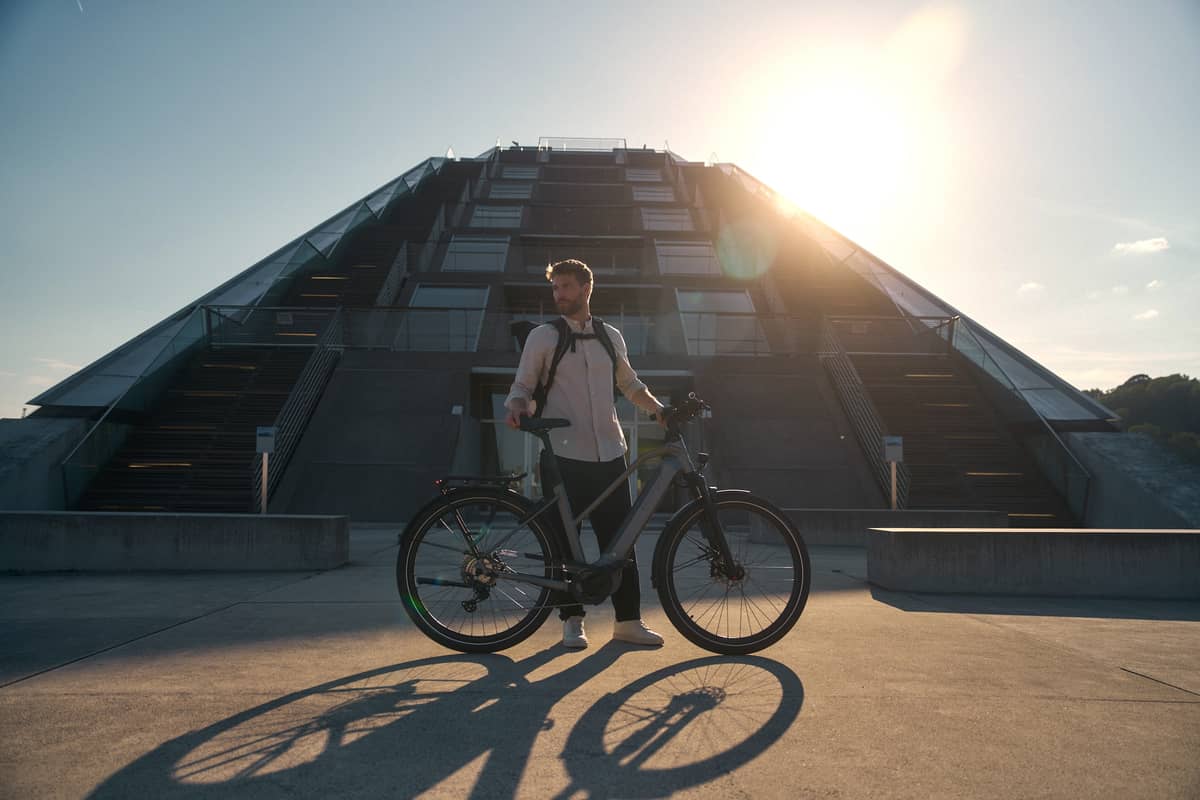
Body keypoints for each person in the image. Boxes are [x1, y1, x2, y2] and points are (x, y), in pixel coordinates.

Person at [505, 259, 667, 649]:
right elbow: (522, 384)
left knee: (619, 541)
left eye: (565, 287)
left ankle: (628, 621)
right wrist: (516, 406)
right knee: (563, 541)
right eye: (555, 288)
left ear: (586, 288)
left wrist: (659, 410)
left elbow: (630, 385)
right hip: (562, 454)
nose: (558, 294)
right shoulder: (544, 336)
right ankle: (572, 621)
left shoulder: (611, 337)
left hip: (611, 452)